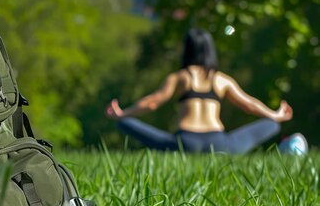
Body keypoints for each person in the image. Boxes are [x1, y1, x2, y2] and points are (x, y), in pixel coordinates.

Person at [105, 28, 295, 153]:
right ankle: (289, 148)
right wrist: (274, 114)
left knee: (125, 123)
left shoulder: (180, 77)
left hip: (184, 144)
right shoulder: (221, 80)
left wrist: (124, 113)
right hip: (220, 145)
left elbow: (153, 102)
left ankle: (123, 118)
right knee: (272, 125)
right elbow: (249, 104)